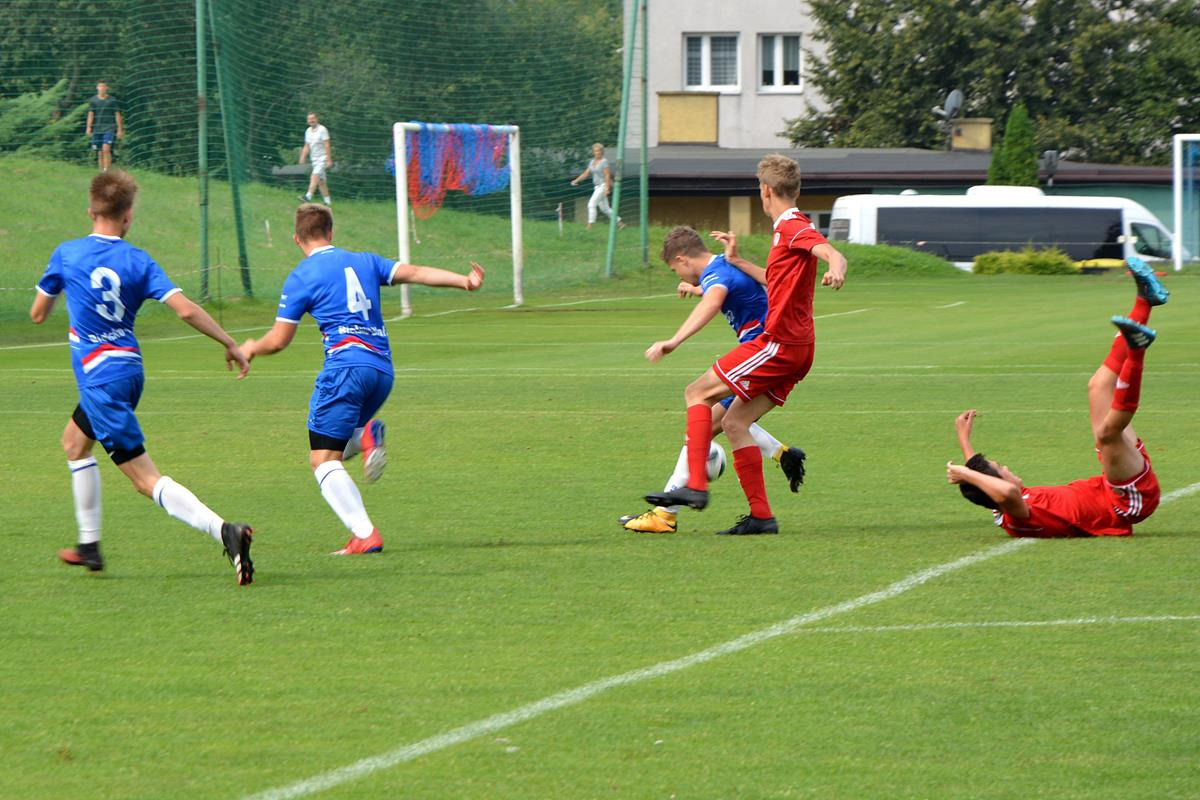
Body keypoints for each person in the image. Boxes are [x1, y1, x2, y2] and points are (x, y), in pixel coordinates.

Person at [31, 171, 255, 583]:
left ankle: (225, 530)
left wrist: (64, 292)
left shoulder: (67, 254)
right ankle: (89, 546)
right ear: (128, 215)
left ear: (90, 211)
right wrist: (229, 342)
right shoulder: (139, 260)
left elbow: (38, 314)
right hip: (129, 372)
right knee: (75, 443)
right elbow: (185, 309)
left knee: (144, 479)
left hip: (100, 378)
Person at [240, 204, 484, 554]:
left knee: (322, 460)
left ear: (296, 239)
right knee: (335, 447)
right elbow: (415, 272)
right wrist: (465, 281)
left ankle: (365, 535)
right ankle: (366, 436)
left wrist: (251, 347)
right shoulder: (366, 261)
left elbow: (279, 341)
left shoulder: (302, 276)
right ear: (331, 232)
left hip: (345, 369)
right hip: (381, 371)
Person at [643, 154, 848, 535]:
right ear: (797, 188)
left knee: (696, 393)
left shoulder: (791, 224)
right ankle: (761, 517)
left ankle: (696, 486)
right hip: (799, 348)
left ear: (765, 190)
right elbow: (775, 278)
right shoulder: (787, 229)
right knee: (736, 422)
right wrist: (737, 260)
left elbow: (828, 251)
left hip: (779, 343)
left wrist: (835, 265)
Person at [947, 257, 1168, 537]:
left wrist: (965, 442)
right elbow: (1002, 491)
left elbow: (988, 483)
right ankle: (1137, 350)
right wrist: (965, 473)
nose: (1006, 467)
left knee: (1098, 386)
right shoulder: (1015, 511)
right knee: (1107, 434)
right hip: (1126, 502)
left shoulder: (1003, 501)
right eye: (1001, 469)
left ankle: (1145, 300)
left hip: (1113, 483)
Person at [619, 226, 807, 533]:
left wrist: (673, 341)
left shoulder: (716, 273)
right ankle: (761, 514)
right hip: (779, 355)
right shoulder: (722, 266)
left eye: (675, 269)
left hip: (766, 353)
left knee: (697, 396)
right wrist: (696, 290)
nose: (678, 274)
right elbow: (731, 288)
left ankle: (679, 501)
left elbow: (714, 299)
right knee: (730, 424)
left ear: (682, 259)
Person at [569, 143, 623, 230]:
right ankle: (620, 223)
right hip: (597, 187)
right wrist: (576, 180)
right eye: (595, 151)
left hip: (603, 186)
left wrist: (607, 188)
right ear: (593, 152)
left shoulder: (604, 161)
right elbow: (586, 173)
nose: (597, 152)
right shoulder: (592, 162)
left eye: (599, 151)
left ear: (602, 152)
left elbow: (607, 175)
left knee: (591, 204)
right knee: (605, 209)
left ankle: (590, 226)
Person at [85, 81, 124, 172]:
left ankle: (107, 170)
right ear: (97, 88)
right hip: (97, 128)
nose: (102, 88)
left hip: (109, 127)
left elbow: (117, 114)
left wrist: (120, 129)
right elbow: (91, 114)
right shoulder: (93, 100)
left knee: (106, 149)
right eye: (100, 86)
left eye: (103, 86)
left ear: (107, 88)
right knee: (100, 151)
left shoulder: (112, 100)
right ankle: (101, 171)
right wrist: (89, 127)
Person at [299, 112, 333, 205]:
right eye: (309, 119)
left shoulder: (322, 130)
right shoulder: (308, 131)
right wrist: (303, 156)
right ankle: (328, 202)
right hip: (314, 159)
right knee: (321, 181)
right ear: (307, 121)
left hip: (322, 158)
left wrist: (329, 160)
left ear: (317, 119)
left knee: (314, 176)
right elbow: (307, 145)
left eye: (313, 118)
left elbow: (327, 145)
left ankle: (308, 197)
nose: (311, 120)